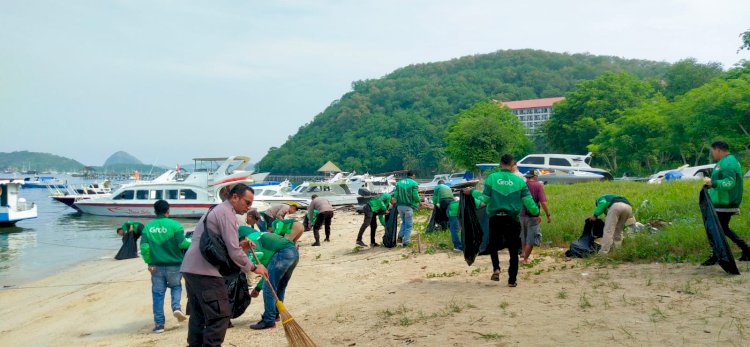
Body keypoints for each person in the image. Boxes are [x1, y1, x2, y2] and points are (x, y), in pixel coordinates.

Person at [180, 184, 268, 347]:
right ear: (235, 197)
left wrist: (241, 246)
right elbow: (233, 252)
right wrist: (255, 268)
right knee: (220, 315)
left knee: (199, 315)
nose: (249, 207)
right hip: (205, 272)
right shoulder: (226, 214)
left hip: (190, 269)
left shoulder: (214, 210)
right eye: (247, 203)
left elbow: (219, 245)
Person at [464, 154, 539, 287]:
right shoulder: (520, 181)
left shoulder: (492, 178)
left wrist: (472, 192)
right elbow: (529, 202)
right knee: (513, 250)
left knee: (493, 245)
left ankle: (496, 269)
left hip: (495, 218)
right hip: (512, 219)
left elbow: (485, 200)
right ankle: (512, 280)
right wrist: (536, 212)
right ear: (512, 164)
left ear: (500, 164)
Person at [140, 200, 191, 333]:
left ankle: (159, 325)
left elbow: (144, 247)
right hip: (174, 264)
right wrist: (191, 241)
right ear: (168, 211)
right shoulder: (175, 225)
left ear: (155, 211)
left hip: (156, 266)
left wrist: (149, 262)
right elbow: (182, 244)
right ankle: (176, 308)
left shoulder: (148, 227)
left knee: (158, 294)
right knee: (175, 286)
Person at [241, 228, 300, 330]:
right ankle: (276, 314)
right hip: (293, 253)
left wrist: (246, 265)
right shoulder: (263, 238)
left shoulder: (251, 238)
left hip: (283, 253)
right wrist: (258, 288)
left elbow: (257, 255)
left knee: (269, 288)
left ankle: (268, 320)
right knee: (280, 286)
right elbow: (267, 273)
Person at [702, 140, 750, 265]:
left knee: (716, 229)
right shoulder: (725, 161)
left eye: (712, 151)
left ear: (717, 149)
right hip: (722, 202)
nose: (712, 154)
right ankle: (745, 250)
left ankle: (718, 255)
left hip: (725, 202)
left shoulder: (728, 163)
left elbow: (730, 183)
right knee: (722, 228)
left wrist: (714, 183)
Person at [521, 170, 551, 264]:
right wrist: (548, 215)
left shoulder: (522, 186)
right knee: (531, 238)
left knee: (523, 236)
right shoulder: (538, 185)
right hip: (532, 216)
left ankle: (523, 254)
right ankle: (525, 259)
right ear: (535, 177)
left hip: (520, 215)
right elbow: (543, 202)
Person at [393, 171, 421, 246]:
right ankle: (406, 242)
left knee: (404, 222)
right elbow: (415, 195)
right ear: (413, 175)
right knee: (409, 225)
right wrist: (419, 201)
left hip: (399, 207)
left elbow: (395, 195)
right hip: (408, 207)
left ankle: (400, 236)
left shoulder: (399, 183)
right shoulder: (414, 183)